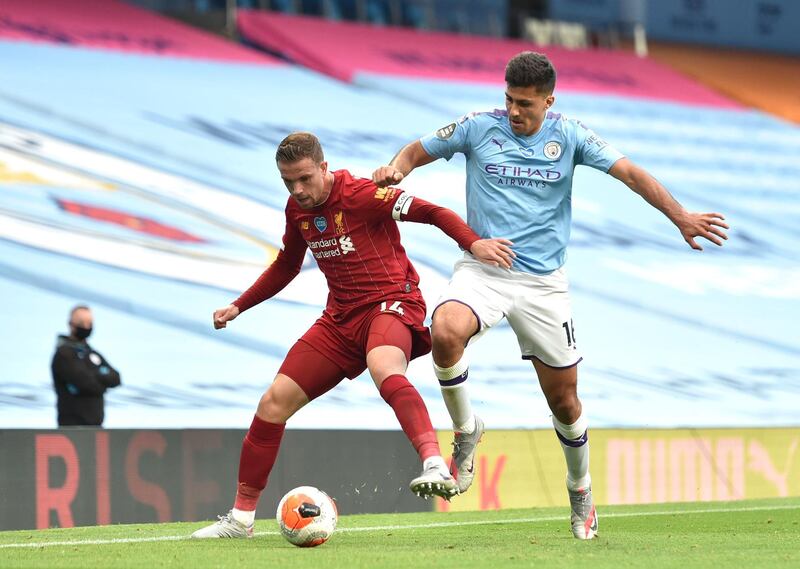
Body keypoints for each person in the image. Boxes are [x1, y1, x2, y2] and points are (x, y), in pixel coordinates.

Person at [371, 51, 729, 540]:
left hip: (544, 286)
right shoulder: (479, 126)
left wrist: (681, 216)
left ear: (548, 101)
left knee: (564, 401)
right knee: (446, 330)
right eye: (509, 100)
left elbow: (631, 174)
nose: (515, 112)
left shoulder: (571, 135)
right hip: (485, 269)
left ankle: (580, 490)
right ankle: (466, 431)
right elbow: (416, 150)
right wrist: (396, 169)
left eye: (525, 104)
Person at [192, 132, 513, 539]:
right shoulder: (297, 210)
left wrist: (474, 244)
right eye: (288, 181)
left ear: (324, 168)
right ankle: (240, 520)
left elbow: (433, 212)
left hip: (391, 303)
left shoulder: (362, 195)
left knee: (384, 366)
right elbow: (287, 264)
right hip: (341, 319)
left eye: (305, 178)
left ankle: (433, 461)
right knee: (272, 403)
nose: (298, 190)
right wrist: (240, 304)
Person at [51, 305, 121, 427]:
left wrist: (94, 375)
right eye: (82, 322)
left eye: (89, 323)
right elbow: (86, 384)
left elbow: (115, 378)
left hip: (96, 427)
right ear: (71, 324)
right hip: (72, 428)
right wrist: (101, 380)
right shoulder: (64, 354)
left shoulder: (92, 353)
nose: (86, 327)